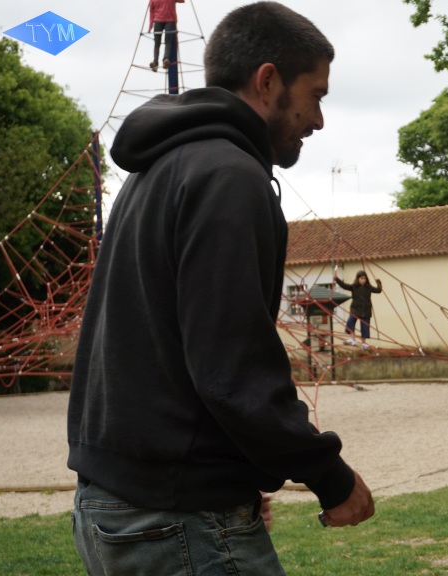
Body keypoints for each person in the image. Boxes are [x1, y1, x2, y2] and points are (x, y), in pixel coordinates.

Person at [68, 4, 374, 574]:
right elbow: (233, 367)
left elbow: (168, 347)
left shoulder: (155, 171)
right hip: (175, 519)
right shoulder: (228, 177)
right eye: (316, 96)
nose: (318, 120)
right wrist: (329, 475)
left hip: (115, 504)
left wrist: (231, 469)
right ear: (268, 80)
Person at [334, 269, 383, 349]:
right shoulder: (354, 287)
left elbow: (378, 290)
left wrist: (378, 281)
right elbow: (344, 285)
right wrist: (336, 279)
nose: (363, 280)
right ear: (358, 279)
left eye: (365, 278)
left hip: (366, 310)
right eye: (361, 278)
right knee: (350, 322)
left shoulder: (368, 287)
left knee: (365, 327)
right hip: (355, 309)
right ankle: (352, 339)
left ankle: (363, 343)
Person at [148, 0, 184, 72]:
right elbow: (151, 12)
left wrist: (151, 25)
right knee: (158, 43)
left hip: (169, 21)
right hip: (159, 21)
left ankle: (165, 59)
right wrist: (150, 25)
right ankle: (155, 62)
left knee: (167, 41)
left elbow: (182, 0)